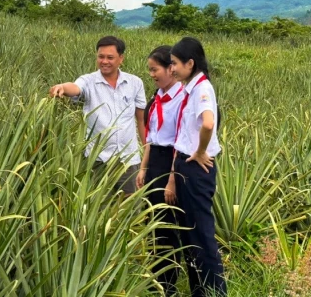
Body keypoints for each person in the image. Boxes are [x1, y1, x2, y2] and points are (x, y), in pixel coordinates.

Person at [49, 35, 146, 195]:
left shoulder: (135, 83)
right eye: (101, 57)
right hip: (97, 160)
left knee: (131, 209)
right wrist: (62, 87)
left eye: (110, 57)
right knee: (98, 207)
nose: (104, 61)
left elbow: (141, 120)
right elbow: (75, 87)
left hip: (128, 160)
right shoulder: (88, 81)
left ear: (121, 58)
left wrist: (146, 155)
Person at [170, 37, 227, 296]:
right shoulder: (190, 88)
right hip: (185, 165)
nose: (171, 69)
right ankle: (199, 290)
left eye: (174, 64)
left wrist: (201, 150)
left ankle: (215, 291)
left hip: (195, 168)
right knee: (190, 232)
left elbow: (207, 122)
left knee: (201, 234)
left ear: (190, 63)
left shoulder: (202, 89)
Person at [136, 45, 184, 296]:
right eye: (150, 70)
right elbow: (151, 138)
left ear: (171, 69)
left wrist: (172, 181)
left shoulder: (182, 99)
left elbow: (180, 142)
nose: (152, 74)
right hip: (154, 160)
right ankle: (155, 279)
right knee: (152, 222)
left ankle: (169, 285)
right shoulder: (156, 97)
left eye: (155, 70)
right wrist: (143, 169)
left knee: (167, 226)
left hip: (171, 164)